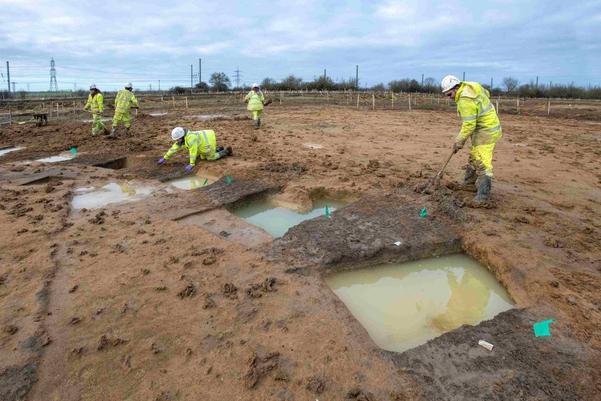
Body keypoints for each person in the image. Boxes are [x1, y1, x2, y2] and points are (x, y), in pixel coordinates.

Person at [441, 75, 502, 204]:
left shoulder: (464, 99)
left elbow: (469, 124)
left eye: (449, 94)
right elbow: (487, 93)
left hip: (486, 131)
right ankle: (469, 184)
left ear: (456, 88)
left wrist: (459, 141)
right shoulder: (470, 87)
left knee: (482, 162)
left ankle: (483, 197)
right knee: (474, 157)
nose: (449, 98)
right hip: (487, 127)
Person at [157, 127, 233, 173]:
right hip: (203, 143)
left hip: (208, 143)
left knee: (210, 158)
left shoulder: (191, 138)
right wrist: (165, 157)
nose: (177, 141)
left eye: (177, 139)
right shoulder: (183, 138)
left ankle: (226, 151)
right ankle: (218, 149)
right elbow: (173, 149)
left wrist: (192, 164)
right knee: (202, 157)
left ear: (182, 136)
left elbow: (193, 152)